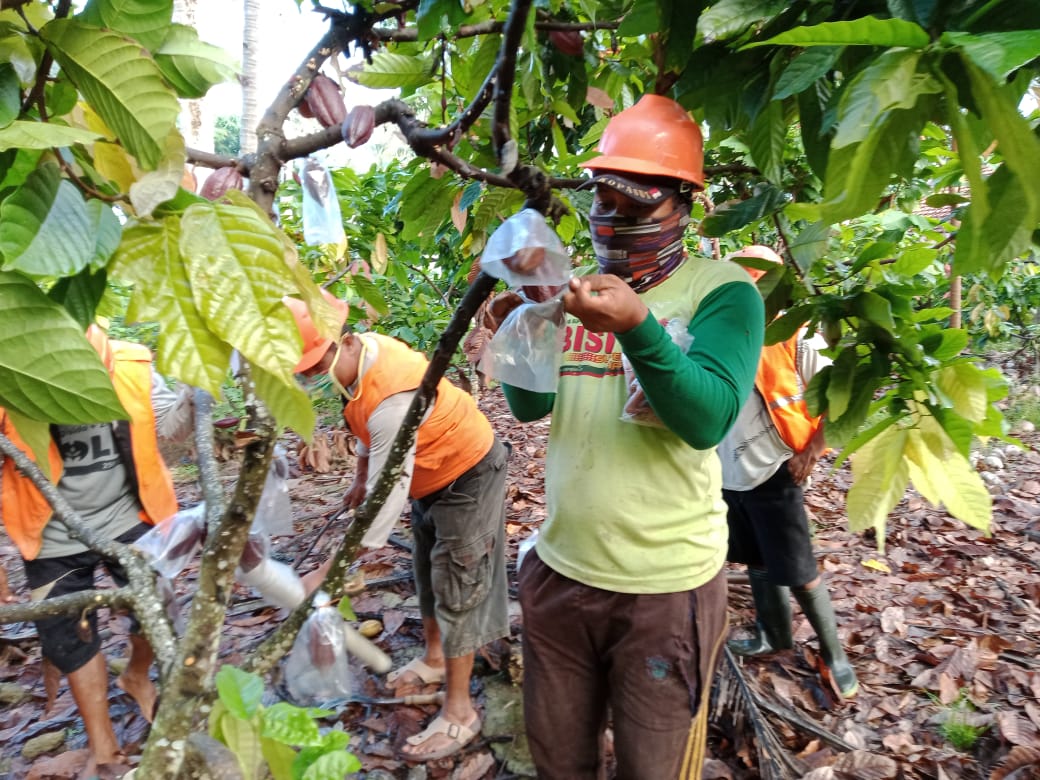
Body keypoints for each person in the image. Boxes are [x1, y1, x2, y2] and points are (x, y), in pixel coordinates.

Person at [498, 94, 765, 779]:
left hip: (665, 588)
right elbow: (528, 405)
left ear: (683, 205)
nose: (612, 223)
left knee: (654, 765)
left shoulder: (723, 291)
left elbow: (706, 419)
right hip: (560, 568)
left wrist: (639, 327)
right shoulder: (584, 289)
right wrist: (527, 320)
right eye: (603, 205)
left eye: (635, 207)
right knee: (559, 757)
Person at [285, 291, 510, 763]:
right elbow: (367, 432)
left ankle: (460, 710)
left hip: (466, 468)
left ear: (344, 342)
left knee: (458, 582)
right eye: (302, 372)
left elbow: (384, 501)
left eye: (313, 366)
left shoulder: (393, 398)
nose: (310, 378)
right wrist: (360, 477)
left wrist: (330, 569)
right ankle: (433, 658)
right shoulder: (361, 360)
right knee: (426, 569)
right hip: (426, 473)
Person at [0, 325, 190, 779]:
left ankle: (136, 675)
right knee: (68, 639)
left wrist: (197, 388)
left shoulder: (131, 367)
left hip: (129, 515)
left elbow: (170, 426)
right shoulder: (11, 384)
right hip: (51, 534)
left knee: (155, 614)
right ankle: (102, 746)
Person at [718, 246, 859, 699]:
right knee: (756, 556)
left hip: (776, 463)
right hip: (729, 467)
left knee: (797, 566)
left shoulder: (797, 333)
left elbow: (840, 398)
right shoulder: (721, 330)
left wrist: (813, 452)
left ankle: (835, 656)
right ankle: (773, 633)